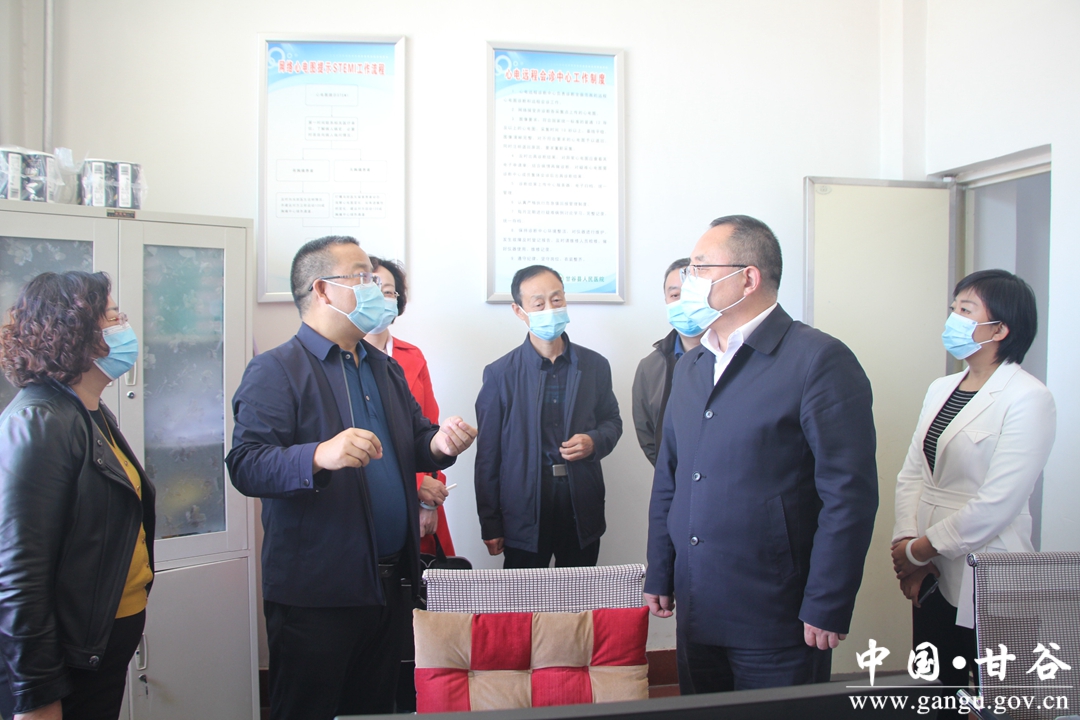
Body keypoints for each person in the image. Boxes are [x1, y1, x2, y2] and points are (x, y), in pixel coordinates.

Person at [225, 236, 477, 720]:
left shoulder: (383, 367)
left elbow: (415, 440)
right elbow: (246, 464)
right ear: (322, 289)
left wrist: (441, 445)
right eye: (361, 277)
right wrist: (319, 455)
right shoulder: (275, 370)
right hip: (317, 593)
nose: (375, 289)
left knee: (374, 708)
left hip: (389, 582)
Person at [644, 215, 878, 692]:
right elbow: (671, 475)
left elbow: (849, 495)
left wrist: (828, 600)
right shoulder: (693, 364)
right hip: (698, 603)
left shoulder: (818, 359)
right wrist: (661, 569)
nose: (689, 281)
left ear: (748, 278)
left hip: (777, 611)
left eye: (700, 268)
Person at [891, 269, 1055, 715]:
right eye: (954, 309)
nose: (953, 319)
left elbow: (998, 503)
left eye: (966, 310)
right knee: (934, 692)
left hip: (991, 567)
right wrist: (905, 543)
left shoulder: (1028, 397)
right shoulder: (941, 388)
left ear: (1000, 329)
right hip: (930, 570)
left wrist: (919, 550)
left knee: (999, 700)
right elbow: (913, 474)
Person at [0, 271, 155, 720]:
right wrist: (37, 695)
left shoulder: (89, 411)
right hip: (67, 660)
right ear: (74, 330)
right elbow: (20, 575)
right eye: (113, 316)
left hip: (104, 637)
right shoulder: (40, 421)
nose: (125, 326)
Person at [474, 265, 622, 569]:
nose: (550, 310)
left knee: (579, 595)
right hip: (523, 510)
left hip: (580, 505)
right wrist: (490, 523)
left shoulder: (595, 365)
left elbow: (612, 421)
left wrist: (594, 441)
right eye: (538, 304)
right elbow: (488, 456)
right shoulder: (500, 375)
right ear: (519, 311)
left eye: (556, 300)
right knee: (524, 597)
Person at [365, 256, 455, 556]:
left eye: (389, 292)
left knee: (426, 577)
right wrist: (415, 484)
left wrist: (428, 500)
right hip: (370, 500)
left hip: (422, 500)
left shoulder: (412, 355)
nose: (382, 299)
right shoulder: (337, 359)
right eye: (373, 290)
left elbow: (429, 433)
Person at [632, 257, 703, 467]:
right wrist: (671, 473)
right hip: (675, 478)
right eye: (675, 295)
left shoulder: (735, 354)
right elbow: (648, 436)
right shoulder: (649, 367)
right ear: (666, 300)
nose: (683, 302)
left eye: (691, 293)